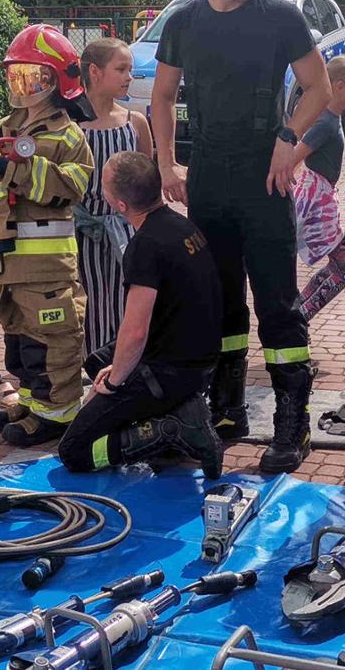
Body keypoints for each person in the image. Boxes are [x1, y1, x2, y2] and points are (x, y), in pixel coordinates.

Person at [151, 0, 335, 474]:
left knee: (276, 300)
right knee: (220, 297)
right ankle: (228, 411)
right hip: (208, 173)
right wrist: (167, 163)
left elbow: (319, 87)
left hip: (265, 176)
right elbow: (161, 97)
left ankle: (291, 424)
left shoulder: (280, 17)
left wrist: (287, 139)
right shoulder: (184, 20)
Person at [57, 151, 226, 476]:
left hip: (171, 370)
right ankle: (173, 416)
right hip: (195, 357)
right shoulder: (179, 225)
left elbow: (135, 332)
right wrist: (112, 367)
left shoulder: (145, 246)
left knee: (75, 451)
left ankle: (171, 429)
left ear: (119, 204)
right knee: (95, 361)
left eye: (104, 186)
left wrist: (116, 381)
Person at [0, 24, 98, 446]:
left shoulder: (67, 134)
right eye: (16, 75)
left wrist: (16, 171)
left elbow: (73, 186)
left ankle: (58, 415)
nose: (22, 86)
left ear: (58, 82)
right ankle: (31, 403)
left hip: (45, 265)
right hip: (7, 261)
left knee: (52, 340)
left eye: (33, 77)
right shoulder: (7, 125)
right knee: (20, 340)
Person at [74, 38, 154, 355]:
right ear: (94, 71)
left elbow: (149, 184)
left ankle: (123, 369)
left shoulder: (134, 123)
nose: (129, 77)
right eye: (121, 69)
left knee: (128, 304)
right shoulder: (71, 127)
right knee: (87, 305)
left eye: (130, 70)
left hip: (127, 234)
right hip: (81, 234)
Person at [293, 55, 345, 321]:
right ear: (339, 86)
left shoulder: (330, 118)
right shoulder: (325, 122)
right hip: (316, 202)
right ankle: (298, 320)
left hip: (318, 198)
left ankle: (297, 316)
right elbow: (293, 157)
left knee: (343, 266)